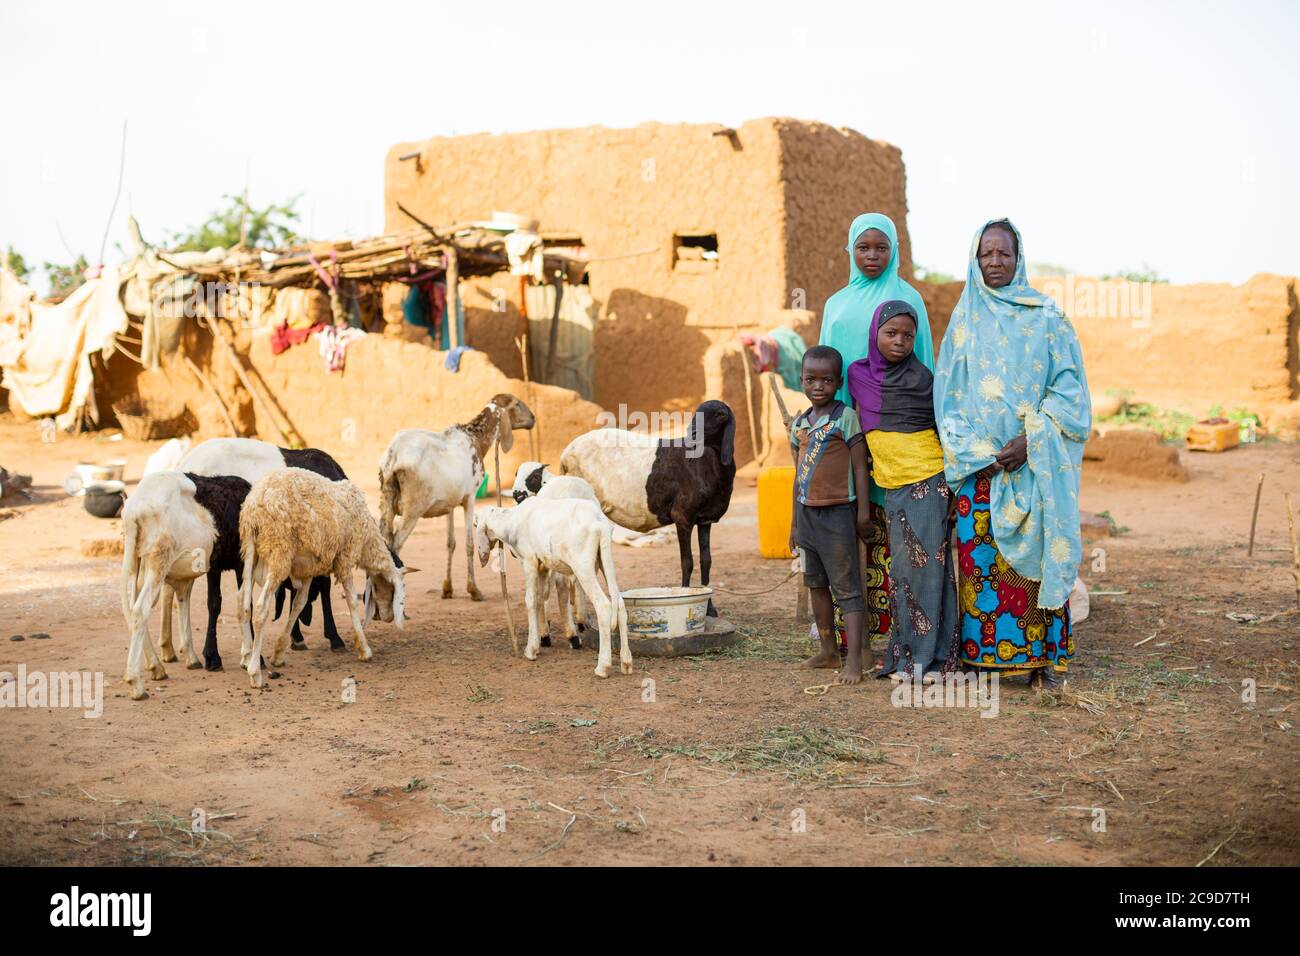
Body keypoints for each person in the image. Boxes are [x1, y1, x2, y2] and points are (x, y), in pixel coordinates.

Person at [933, 219, 1092, 690]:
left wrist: (1031, 441)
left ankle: (1044, 664)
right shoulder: (963, 322)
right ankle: (987, 662)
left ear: (1019, 258)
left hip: (1034, 468)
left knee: (1042, 559)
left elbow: (1072, 394)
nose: (996, 262)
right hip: (981, 470)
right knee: (983, 567)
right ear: (975, 259)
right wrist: (981, 453)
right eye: (987, 254)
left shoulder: (1047, 317)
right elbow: (947, 399)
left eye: (1004, 253)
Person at [819, 214, 934, 655]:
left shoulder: (910, 299)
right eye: (863, 247)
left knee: (896, 523)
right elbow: (825, 368)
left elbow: (924, 365)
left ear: (895, 251)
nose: (871, 256)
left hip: (899, 433)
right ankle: (853, 634)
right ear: (850, 249)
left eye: (881, 247)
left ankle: (901, 630)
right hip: (845, 430)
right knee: (849, 518)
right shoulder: (837, 304)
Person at [847, 299, 960, 683]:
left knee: (927, 572)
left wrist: (953, 488)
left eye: (908, 336)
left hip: (927, 480)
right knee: (904, 572)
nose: (900, 341)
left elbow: (944, 431)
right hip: (892, 486)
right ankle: (914, 657)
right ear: (874, 333)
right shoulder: (857, 375)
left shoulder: (925, 380)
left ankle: (929, 661)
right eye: (891, 333)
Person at [788, 345, 872, 685]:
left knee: (847, 589)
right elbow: (798, 477)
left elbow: (860, 467)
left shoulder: (845, 417)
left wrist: (862, 513)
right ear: (802, 381)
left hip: (839, 515)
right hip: (807, 518)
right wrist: (794, 523)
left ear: (838, 382)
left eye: (826, 380)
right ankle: (828, 649)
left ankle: (854, 659)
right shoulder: (799, 424)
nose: (818, 386)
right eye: (811, 379)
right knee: (816, 585)